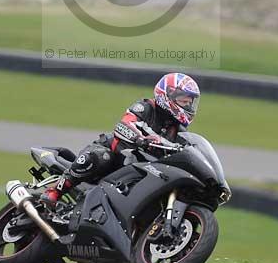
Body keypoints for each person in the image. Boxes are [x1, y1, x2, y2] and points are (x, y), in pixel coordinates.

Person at [41, 71, 232, 207]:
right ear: (168, 95)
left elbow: (188, 151)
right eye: (184, 100)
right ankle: (55, 191)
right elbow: (124, 125)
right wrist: (141, 139)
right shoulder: (145, 107)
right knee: (100, 157)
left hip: (140, 170)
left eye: (190, 102)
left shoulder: (178, 130)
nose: (188, 105)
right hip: (116, 156)